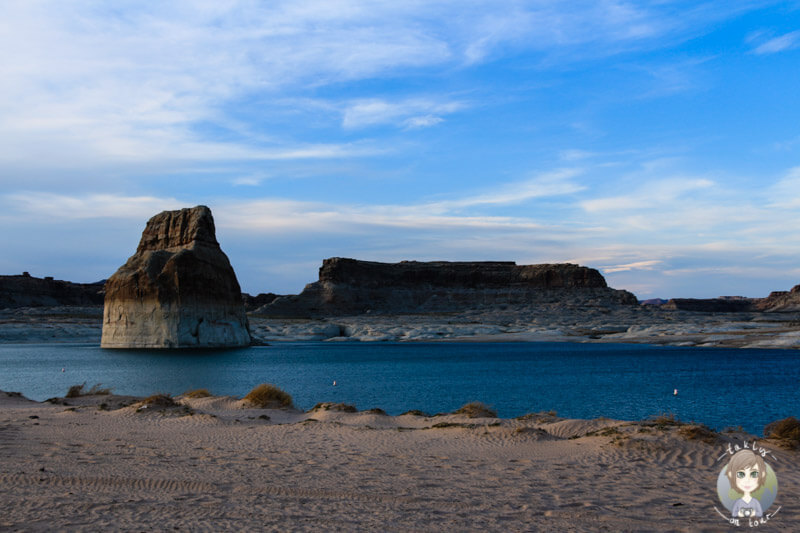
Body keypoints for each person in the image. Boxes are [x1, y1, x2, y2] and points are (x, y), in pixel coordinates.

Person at [725, 449, 767, 518]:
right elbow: (734, 513)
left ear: (762, 475)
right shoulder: (738, 502)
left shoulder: (755, 502)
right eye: (741, 474)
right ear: (731, 475)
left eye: (754, 474)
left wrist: (754, 513)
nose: (747, 480)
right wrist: (739, 513)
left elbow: (760, 513)